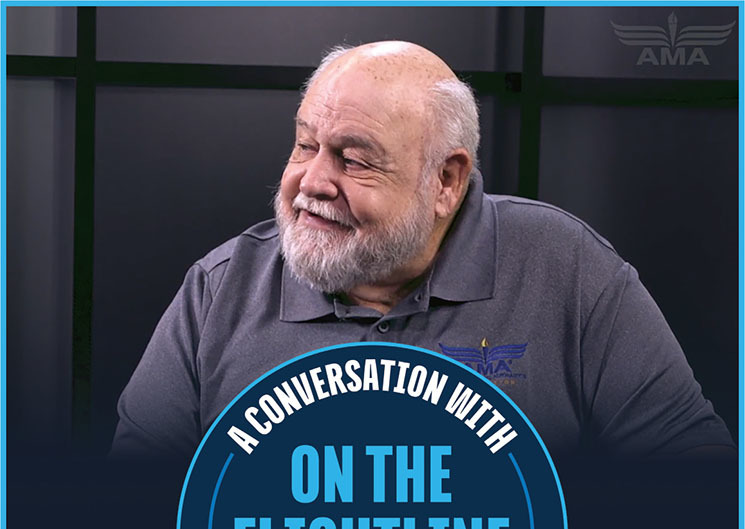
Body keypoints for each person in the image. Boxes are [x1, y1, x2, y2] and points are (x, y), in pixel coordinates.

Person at [111, 41, 732, 461]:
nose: (312, 183)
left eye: (353, 160)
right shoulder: (219, 288)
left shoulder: (567, 270)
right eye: (305, 146)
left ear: (446, 181)